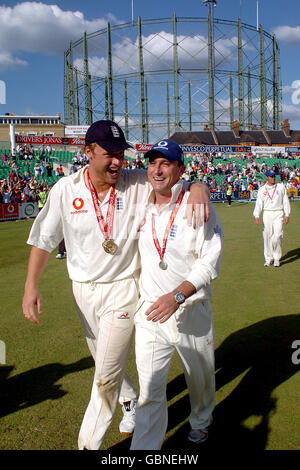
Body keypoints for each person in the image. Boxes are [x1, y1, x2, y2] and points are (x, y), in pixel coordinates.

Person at [21, 120, 210, 451]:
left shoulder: (135, 182)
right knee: (103, 362)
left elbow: (173, 179)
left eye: (121, 154)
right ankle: (131, 401)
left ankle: (88, 444)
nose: (117, 163)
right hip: (83, 290)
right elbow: (43, 240)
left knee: (105, 374)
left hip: (123, 288)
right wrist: (30, 286)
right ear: (88, 152)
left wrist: (199, 187)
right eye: (109, 154)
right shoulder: (65, 190)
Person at [130, 139, 224, 450]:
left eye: (166, 163)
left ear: (180, 169)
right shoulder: (138, 200)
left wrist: (178, 296)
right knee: (150, 389)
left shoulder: (196, 204)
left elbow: (211, 260)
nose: (157, 170)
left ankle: (201, 420)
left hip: (190, 310)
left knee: (199, 381)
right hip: (151, 313)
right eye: (152, 162)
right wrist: (200, 182)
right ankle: (145, 448)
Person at [253, 169, 290, 267]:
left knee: (277, 236)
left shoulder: (281, 187)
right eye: (271, 176)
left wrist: (287, 214)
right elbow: (259, 203)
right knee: (267, 236)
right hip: (267, 213)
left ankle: (277, 257)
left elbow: (285, 201)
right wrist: (257, 215)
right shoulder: (262, 189)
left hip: (278, 213)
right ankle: (268, 258)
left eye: (274, 176)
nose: (273, 178)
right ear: (267, 177)